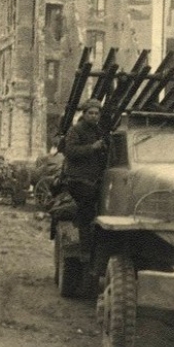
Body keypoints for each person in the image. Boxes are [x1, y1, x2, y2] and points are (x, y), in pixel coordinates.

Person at [62, 99, 107, 254]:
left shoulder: (99, 131)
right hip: (79, 179)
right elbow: (70, 152)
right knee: (86, 213)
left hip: (94, 179)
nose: (94, 116)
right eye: (91, 113)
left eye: (96, 113)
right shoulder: (76, 130)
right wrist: (92, 147)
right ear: (84, 114)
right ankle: (85, 251)